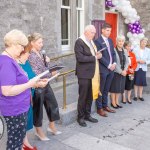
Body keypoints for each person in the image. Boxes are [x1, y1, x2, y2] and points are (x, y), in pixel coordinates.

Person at [0, 29, 48, 150]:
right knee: (14, 143)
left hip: (19, 108)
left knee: (16, 141)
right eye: (22, 46)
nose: (23, 49)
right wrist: (29, 84)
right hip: (14, 109)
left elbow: (18, 82)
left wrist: (34, 83)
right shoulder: (6, 61)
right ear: (15, 44)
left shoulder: (10, 59)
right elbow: (7, 90)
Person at [28, 33, 61, 141]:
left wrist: (50, 66)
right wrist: (51, 74)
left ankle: (51, 126)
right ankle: (38, 131)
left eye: (42, 42)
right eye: (39, 42)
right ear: (32, 43)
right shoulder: (30, 55)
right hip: (37, 86)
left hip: (46, 83)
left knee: (53, 104)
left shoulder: (40, 53)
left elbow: (45, 68)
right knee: (38, 109)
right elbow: (37, 73)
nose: (42, 45)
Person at [18, 43, 47, 150]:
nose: (29, 55)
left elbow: (33, 77)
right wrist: (37, 84)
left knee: (26, 120)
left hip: (29, 96)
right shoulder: (17, 65)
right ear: (22, 53)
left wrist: (40, 80)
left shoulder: (26, 63)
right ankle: (21, 144)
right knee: (20, 122)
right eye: (28, 53)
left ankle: (25, 142)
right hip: (20, 98)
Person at [74, 25, 102, 127]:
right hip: (83, 74)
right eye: (92, 33)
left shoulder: (90, 41)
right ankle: (80, 117)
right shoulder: (79, 42)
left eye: (94, 33)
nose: (94, 35)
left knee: (90, 96)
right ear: (86, 32)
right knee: (83, 96)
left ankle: (87, 114)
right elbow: (80, 58)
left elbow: (92, 55)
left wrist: (97, 53)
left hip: (92, 73)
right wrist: (95, 57)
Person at [94, 23, 116, 117]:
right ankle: (99, 108)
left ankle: (105, 105)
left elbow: (113, 53)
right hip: (103, 69)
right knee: (101, 89)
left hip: (111, 69)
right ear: (102, 30)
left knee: (107, 89)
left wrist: (114, 63)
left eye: (110, 31)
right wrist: (108, 65)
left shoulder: (110, 40)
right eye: (107, 30)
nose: (109, 32)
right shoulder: (97, 41)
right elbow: (100, 56)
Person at [109, 35, 129, 109]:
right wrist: (121, 71)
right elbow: (114, 63)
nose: (121, 42)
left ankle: (117, 101)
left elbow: (127, 62)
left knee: (119, 88)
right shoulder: (113, 50)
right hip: (116, 73)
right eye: (119, 41)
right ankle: (113, 102)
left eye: (122, 41)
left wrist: (125, 70)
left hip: (123, 72)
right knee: (114, 88)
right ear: (116, 42)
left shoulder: (125, 51)